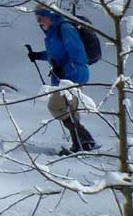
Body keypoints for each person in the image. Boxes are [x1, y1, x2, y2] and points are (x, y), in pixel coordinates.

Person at [28, 8, 97, 154]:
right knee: (70, 110)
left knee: (56, 106)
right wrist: (37, 55)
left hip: (73, 75)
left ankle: (86, 139)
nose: (38, 21)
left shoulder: (65, 28)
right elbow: (57, 53)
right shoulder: (53, 31)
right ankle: (80, 145)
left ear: (49, 16)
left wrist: (66, 70)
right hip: (66, 75)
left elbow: (78, 53)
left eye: (40, 17)